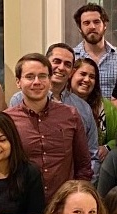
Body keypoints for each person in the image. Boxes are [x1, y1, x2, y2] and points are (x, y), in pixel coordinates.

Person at [4, 53, 93, 201]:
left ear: (50, 80)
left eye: (43, 76)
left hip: (63, 205)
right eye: (30, 77)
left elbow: (83, 165)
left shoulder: (70, 115)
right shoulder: (7, 120)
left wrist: (76, 199)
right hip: (22, 207)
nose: (37, 82)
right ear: (18, 82)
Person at [8, 44, 99, 174]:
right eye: (56, 61)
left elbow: (91, 156)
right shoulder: (18, 101)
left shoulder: (80, 109)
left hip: (66, 188)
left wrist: (83, 189)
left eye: (67, 64)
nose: (61, 67)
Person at [72, 3, 117, 97]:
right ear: (80, 28)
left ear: (105, 25)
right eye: (86, 23)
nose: (92, 27)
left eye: (96, 22)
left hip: (113, 111)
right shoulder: (71, 58)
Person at [70, 58, 117, 163]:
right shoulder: (59, 103)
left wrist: (107, 147)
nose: (87, 80)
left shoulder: (107, 107)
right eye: (82, 74)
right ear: (71, 75)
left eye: (92, 77)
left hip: (97, 168)